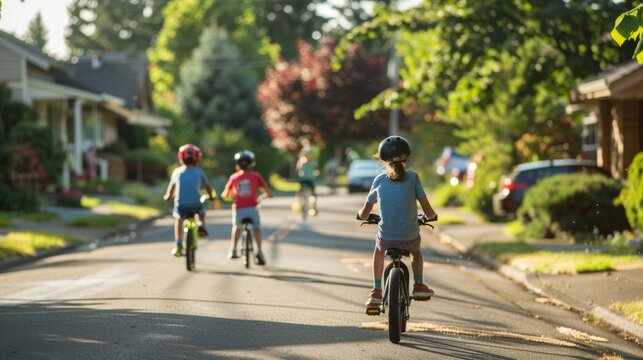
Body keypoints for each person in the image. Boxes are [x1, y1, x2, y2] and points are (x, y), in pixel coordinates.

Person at [357, 135, 438, 312]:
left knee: (379, 249)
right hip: (409, 237)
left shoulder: (379, 180)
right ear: (406, 158)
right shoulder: (413, 178)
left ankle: (376, 291)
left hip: (387, 238)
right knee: (416, 251)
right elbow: (429, 211)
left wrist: (362, 215)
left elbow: (364, 213)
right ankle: (418, 285)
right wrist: (429, 216)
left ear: (383, 159)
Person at [222, 150, 274, 265]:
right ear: (252, 164)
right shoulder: (256, 176)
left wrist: (231, 196)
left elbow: (225, 194)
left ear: (237, 164)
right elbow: (268, 193)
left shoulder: (234, 177)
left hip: (239, 210)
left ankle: (233, 249)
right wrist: (266, 196)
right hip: (252, 209)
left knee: (236, 227)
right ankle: (259, 251)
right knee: (257, 229)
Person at [163, 144, 215, 257]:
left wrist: (168, 196)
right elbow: (208, 187)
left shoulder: (177, 171)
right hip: (196, 205)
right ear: (198, 158)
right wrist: (211, 196)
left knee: (179, 220)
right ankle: (201, 223)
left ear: (181, 158)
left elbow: (171, 187)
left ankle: (178, 245)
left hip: (181, 206)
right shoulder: (199, 172)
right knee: (202, 211)